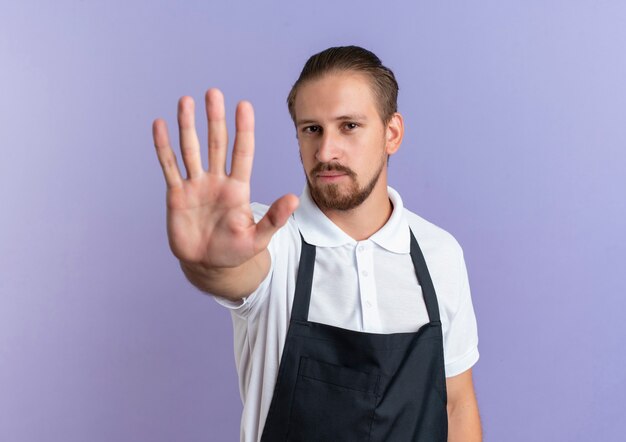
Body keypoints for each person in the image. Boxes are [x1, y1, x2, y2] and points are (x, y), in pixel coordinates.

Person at [152, 46, 481, 441]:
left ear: (391, 133)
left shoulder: (439, 253)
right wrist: (208, 263)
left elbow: (456, 403)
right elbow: (236, 271)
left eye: (349, 126)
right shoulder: (271, 238)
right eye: (312, 129)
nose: (326, 152)